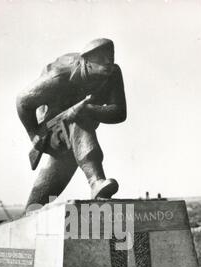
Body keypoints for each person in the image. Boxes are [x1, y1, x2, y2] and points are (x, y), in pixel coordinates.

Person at [16, 38, 127, 212]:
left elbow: (119, 112)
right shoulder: (60, 75)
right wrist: (34, 135)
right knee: (79, 121)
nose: (108, 62)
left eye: (110, 57)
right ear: (86, 61)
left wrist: (87, 109)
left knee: (43, 193)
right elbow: (23, 101)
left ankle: (31, 209)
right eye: (101, 58)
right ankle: (96, 181)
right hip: (49, 125)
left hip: (78, 133)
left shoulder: (113, 73)